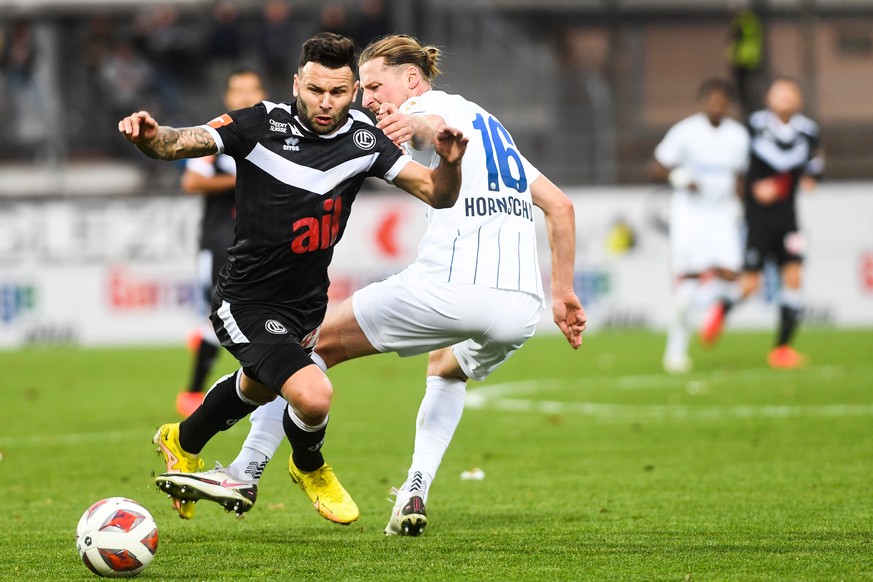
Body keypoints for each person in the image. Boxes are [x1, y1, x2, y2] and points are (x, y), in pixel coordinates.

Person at [158, 34, 586, 537]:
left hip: (449, 289)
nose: (369, 101)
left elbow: (427, 125)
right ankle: (414, 490)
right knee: (446, 368)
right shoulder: (494, 129)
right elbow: (560, 205)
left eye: (375, 87)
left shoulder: (430, 108)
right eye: (361, 92)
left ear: (411, 78)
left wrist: (421, 128)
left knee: (306, 353)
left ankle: (244, 471)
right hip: (520, 309)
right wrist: (563, 293)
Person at [118, 32, 468, 523]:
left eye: (339, 93)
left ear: (353, 91)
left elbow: (437, 194)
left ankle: (182, 439)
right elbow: (179, 141)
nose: (327, 104)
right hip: (245, 300)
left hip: (305, 303)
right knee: (312, 392)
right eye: (316, 91)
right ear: (297, 83)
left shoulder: (364, 137)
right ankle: (309, 464)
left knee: (259, 387)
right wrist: (149, 137)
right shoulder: (259, 123)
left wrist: (450, 165)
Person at [700, 76, 823, 368]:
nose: (785, 98)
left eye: (790, 93)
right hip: (758, 220)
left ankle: (781, 349)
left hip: (789, 220)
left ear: (799, 100)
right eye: (779, 93)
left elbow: (815, 163)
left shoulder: (807, 131)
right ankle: (722, 308)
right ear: (769, 98)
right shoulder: (753, 126)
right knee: (750, 284)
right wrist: (751, 187)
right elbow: (739, 163)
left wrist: (811, 178)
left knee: (794, 279)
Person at [175, 68, 267, 418]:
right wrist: (243, 180)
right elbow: (191, 182)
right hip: (221, 237)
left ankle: (261, 384)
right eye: (238, 91)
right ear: (228, 98)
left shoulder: (274, 133)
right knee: (223, 313)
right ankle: (194, 389)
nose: (245, 97)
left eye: (251, 89)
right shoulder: (213, 135)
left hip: (260, 237)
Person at [653, 78, 750, 373]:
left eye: (722, 102)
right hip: (690, 216)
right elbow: (657, 165)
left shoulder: (738, 136)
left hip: (722, 215)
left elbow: (741, 176)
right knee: (688, 283)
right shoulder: (685, 132)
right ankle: (676, 350)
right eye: (712, 101)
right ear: (702, 103)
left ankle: (714, 312)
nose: (717, 106)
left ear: (729, 106)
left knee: (735, 277)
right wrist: (680, 178)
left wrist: (740, 205)